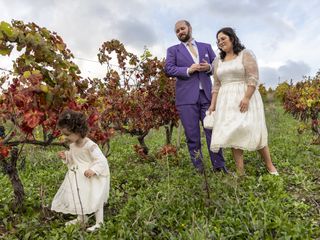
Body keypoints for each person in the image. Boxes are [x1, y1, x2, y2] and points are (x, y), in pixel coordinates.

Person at [208, 27, 278, 176]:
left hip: (244, 96)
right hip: (225, 100)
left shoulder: (245, 54)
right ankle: (240, 173)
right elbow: (216, 85)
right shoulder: (217, 61)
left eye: (223, 39)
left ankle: (270, 165)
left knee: (254, 128)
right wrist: (213, 105)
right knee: (234, 132)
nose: (220, 42)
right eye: (218, 40)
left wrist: (246, 97)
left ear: (232, 38)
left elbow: (253, 77)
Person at [165, 20, 227, 173]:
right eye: (177, 31)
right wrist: (188, 70)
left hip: (207, 96)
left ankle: (219, 166)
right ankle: (199, 168)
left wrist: (209, 67)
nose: (180, 32)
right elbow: (169, 69)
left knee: (212, 131)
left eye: (182, 28)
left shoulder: (206, 47)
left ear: (189, 28)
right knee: (192, 135)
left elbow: (219, 66)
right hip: (186, 99)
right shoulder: (173, 50)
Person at [51, 110, 110, 232]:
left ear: (78, 131)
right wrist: (66, 156)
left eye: (67, 134)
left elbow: (101, 160)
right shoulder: (72, 145)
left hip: (90, 177)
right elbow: (75, 158)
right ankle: (82, 217)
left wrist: (93, 170)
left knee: (95, 198)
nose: (65, 137)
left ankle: (100, 222)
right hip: (77, 176)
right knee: (78, 197)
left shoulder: (90, 145)